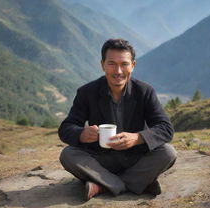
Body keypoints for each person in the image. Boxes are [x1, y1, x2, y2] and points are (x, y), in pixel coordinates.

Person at [58, 38, 177, 200]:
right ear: (102, 65)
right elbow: (66, 128)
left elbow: (166, 128)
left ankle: (102, 185)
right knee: (68, 154)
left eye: (124, 64)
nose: (118, 71)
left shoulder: (145, 91)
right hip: (100, 159)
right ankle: (138, 183)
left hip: (135, 158)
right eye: (112, 63)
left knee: (168, 152)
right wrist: (81, 134)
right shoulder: (87, 92)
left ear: (133, 66)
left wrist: (138, 138)